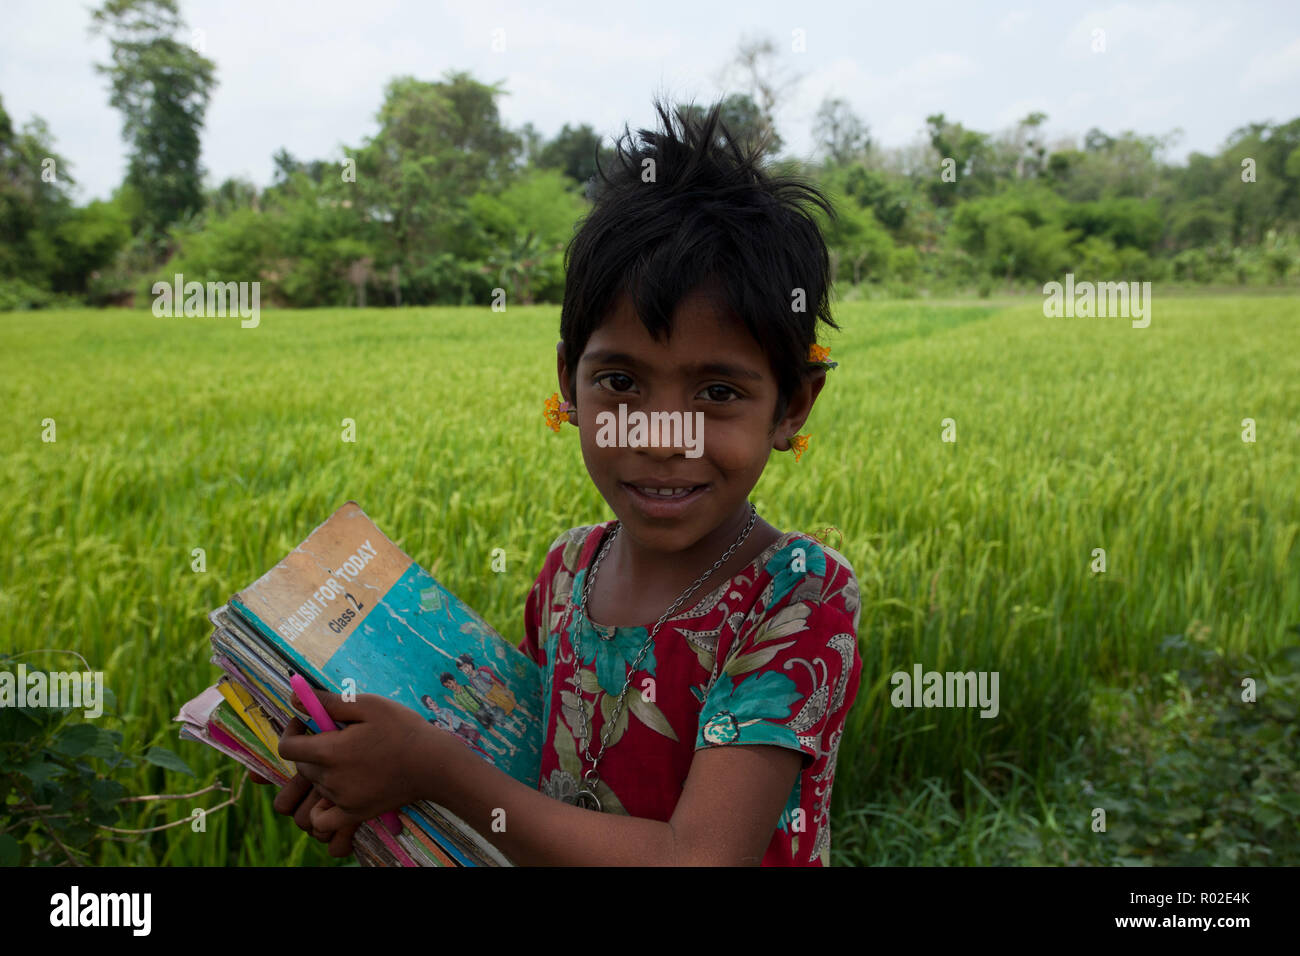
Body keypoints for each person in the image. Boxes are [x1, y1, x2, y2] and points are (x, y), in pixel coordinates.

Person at [254, 96, 863, 866]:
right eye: (620, 381)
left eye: (717, 394)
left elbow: (698, 857)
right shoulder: (567, 571)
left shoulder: (797, 598)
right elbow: (514, 776)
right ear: (568, 385)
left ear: (793, 406)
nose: (658, 436)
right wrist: (374, 784)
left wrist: (434, 769)